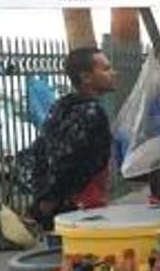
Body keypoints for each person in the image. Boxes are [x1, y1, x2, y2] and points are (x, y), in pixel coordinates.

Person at [25, 47, 115, 230]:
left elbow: (43, 152)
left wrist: (44, 198)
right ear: (86, 77)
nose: (113, 73)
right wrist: (51, 198)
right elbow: (69, 161)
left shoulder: (61, 108)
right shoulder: (91, 113)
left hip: (59, 205)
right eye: (105, 69)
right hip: (83, 207)